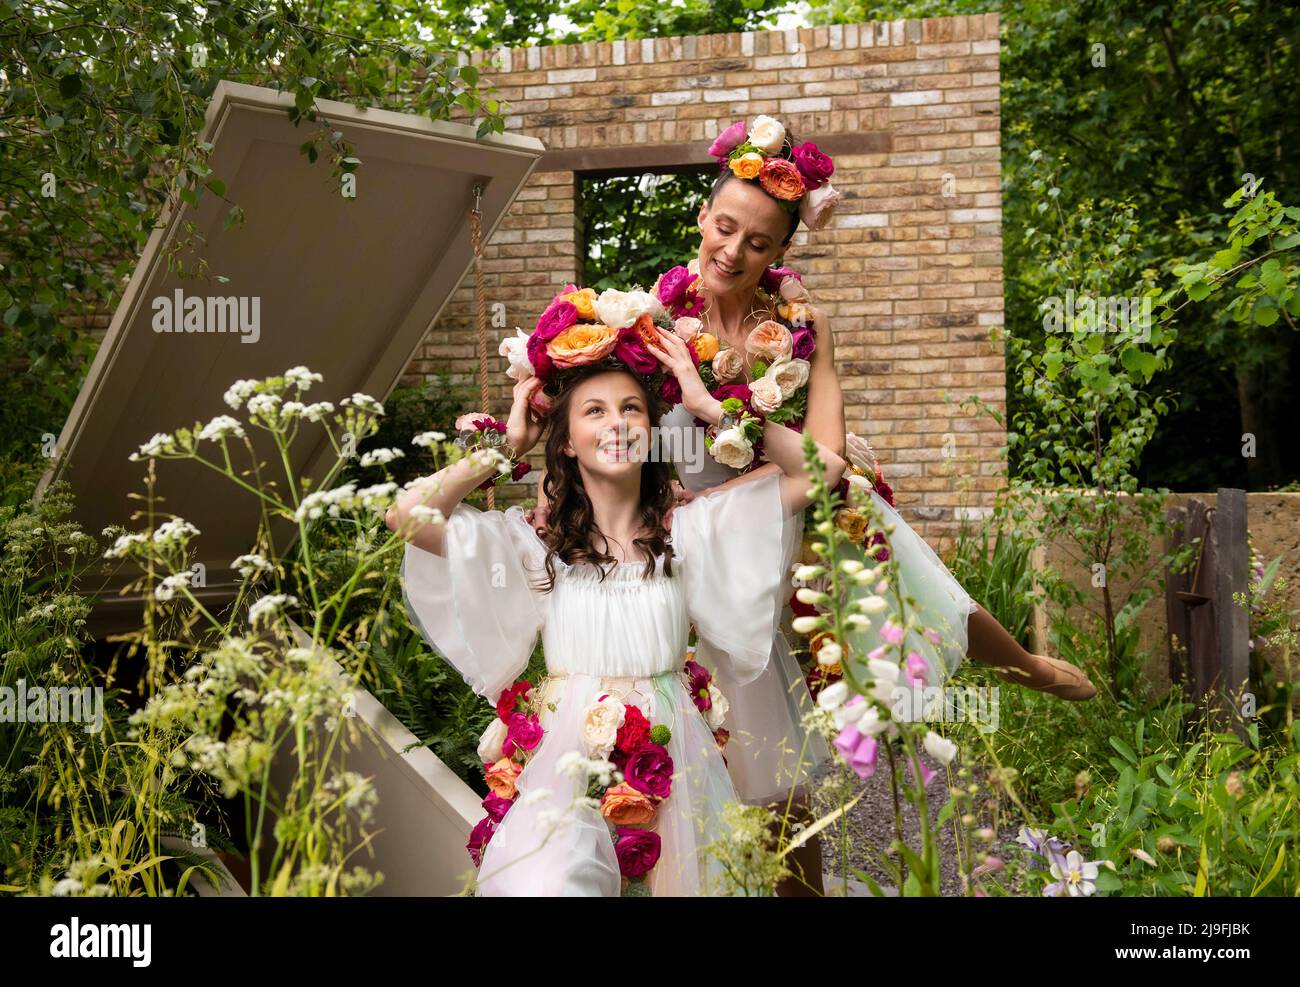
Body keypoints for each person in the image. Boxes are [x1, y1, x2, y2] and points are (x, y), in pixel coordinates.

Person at [523, 115, 1097, 896]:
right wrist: (529, 421)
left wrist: (718, 410)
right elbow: (598, 422)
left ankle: (1019, 665)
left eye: (758, 242)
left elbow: (826, 460)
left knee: (860, 508)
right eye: (724, 227)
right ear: (702, 216)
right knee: (745, 748)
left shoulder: (800, 324)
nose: (733, 251)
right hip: (690, 528)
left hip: (787, 499)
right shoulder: (653, 319)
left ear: (782, 251)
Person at [387, 312, 847, 895]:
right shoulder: (535, 546)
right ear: (568, 439)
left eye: (631, 408)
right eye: (594, 411)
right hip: (565, 762)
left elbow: (825, 471)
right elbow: (405, 519)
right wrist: (506, 446)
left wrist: (713, 410)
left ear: (653, 430)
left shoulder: (690, 532)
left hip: (674, 758)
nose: (617, 423)